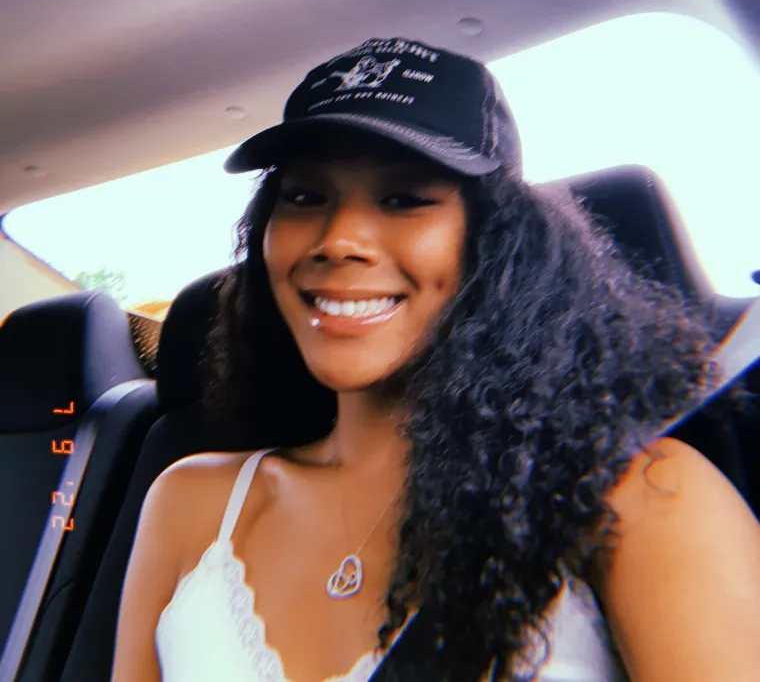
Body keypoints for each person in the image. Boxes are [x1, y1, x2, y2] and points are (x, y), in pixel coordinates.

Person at [111, 37, 760, 682]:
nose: (338, 239)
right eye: (305, 196)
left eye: (405, 198)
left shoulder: (642, 497)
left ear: (495, 241)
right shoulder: (190, 502)